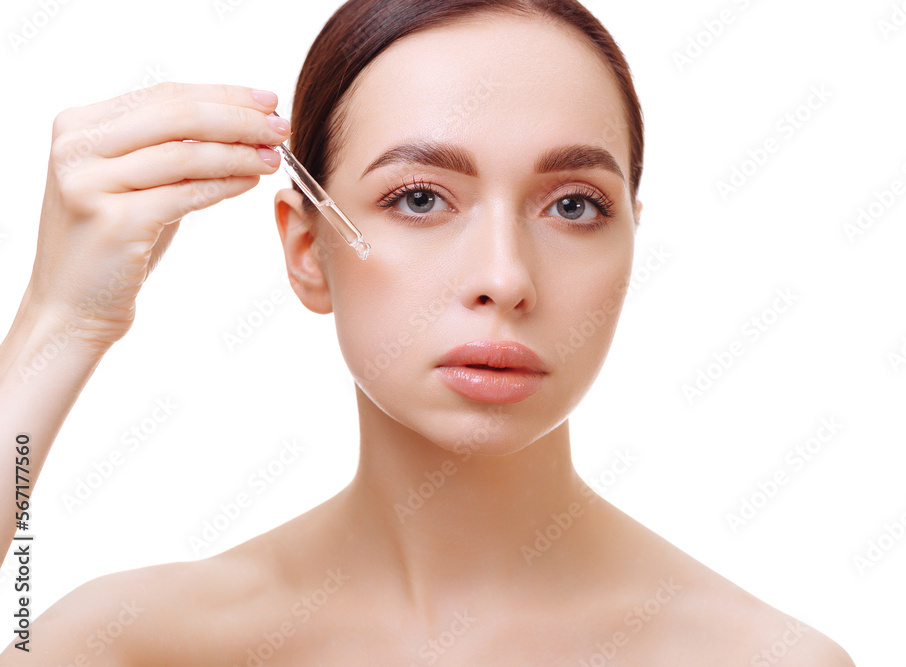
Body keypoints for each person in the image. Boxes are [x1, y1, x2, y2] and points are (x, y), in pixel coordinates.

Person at [0, 0, 855, 663]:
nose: (504, 279)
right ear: (308, 248)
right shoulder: (132, 646)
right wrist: (60, 323)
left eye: (573, 205)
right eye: (419, 198)